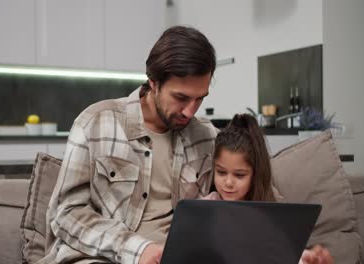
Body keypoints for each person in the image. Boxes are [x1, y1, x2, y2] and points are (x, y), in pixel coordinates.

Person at [39, 25, 333, 264]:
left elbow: (256, 200)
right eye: (181, 98)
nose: (191, 111)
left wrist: (292, 252)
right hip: (101, 257)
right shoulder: (96, 124)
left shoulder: (206, 137)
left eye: (200, 99)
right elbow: (66, 213)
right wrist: (137, 249)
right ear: (153, 83)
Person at [203, 113, 333, 264]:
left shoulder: (269, 214)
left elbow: (283, 252)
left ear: (255, 174)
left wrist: (306, 259)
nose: (228, 182)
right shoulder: (205, 208)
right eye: (221, 172)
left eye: (239, 175)